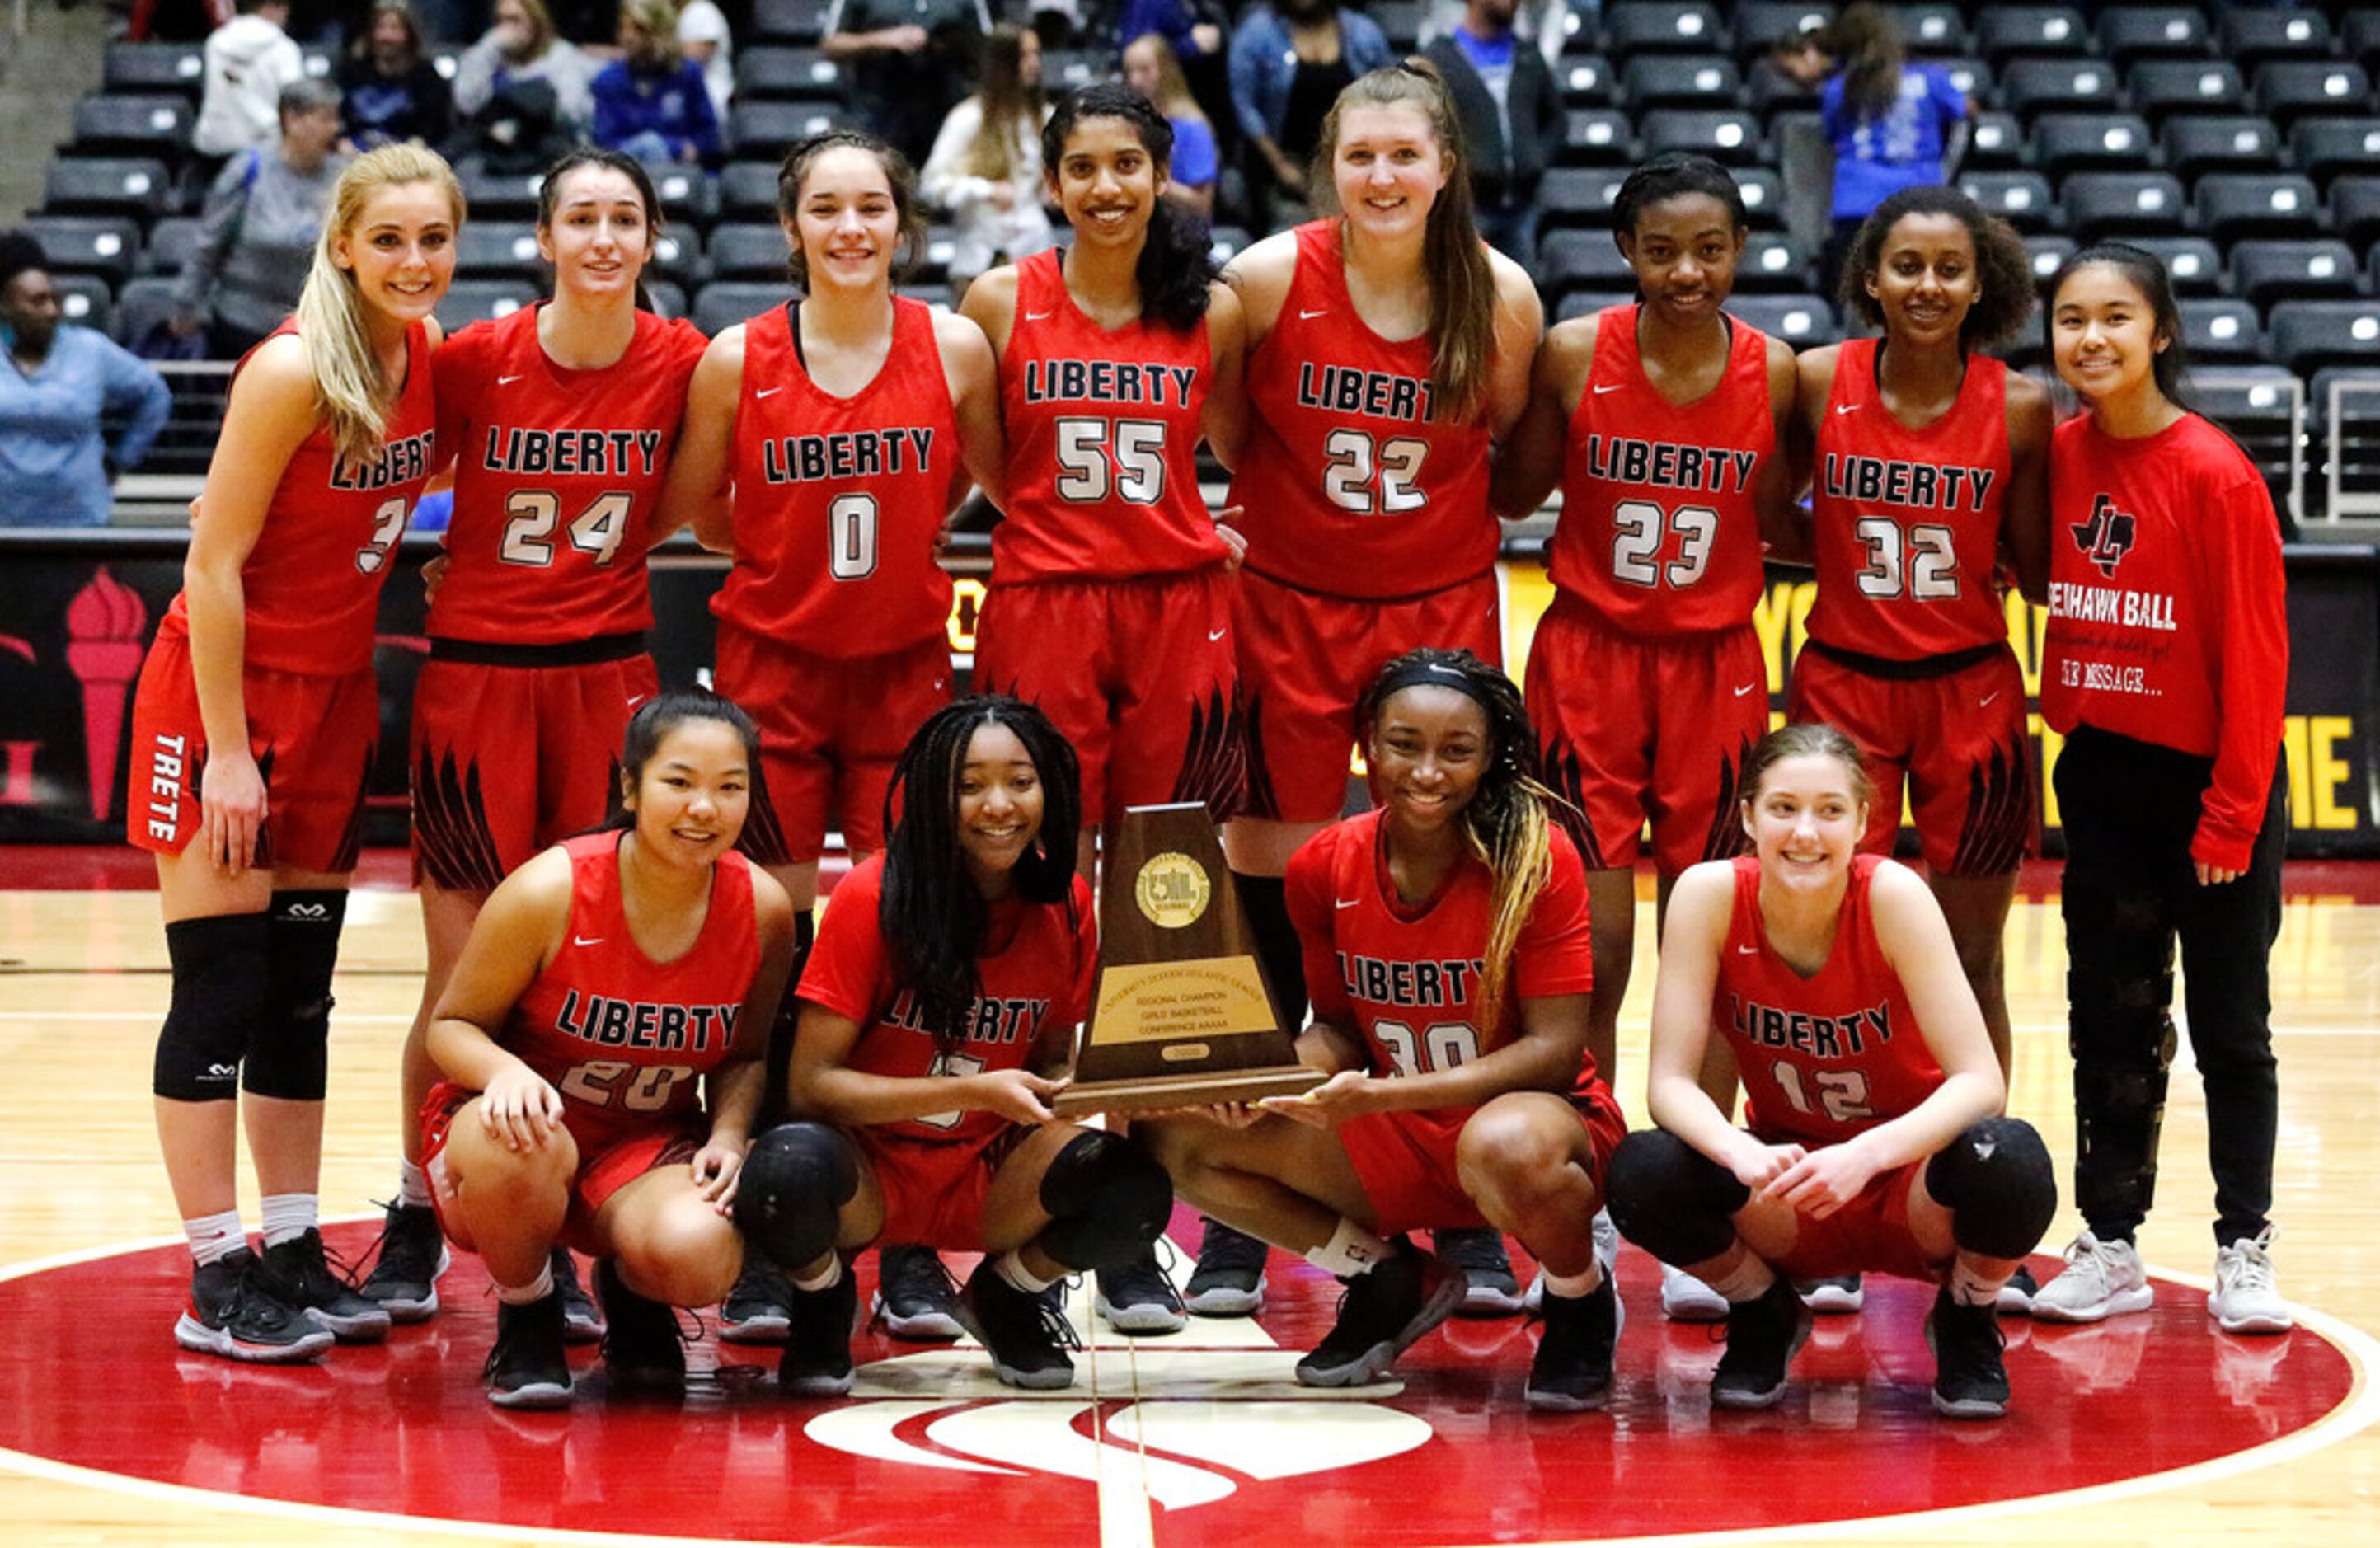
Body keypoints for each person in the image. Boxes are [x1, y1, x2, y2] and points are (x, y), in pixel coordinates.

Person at [356, 148, 713, 1329]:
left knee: (583, 978)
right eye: (581, 219)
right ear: (545, 240)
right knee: (459, 983)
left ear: (651, 239)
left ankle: (573, 1215)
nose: (604, 238)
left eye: (624, 219)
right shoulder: (472, 362)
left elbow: (686, 508)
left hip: (608, 687)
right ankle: (418, 1202)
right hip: (476, 688)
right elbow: (386, 468)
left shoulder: (683, 364)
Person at [660, 127, 1006, 1341]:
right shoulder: (736, 358)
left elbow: (986, 483)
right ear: (789, 225)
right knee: (770, 950)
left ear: (901, 223)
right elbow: (697, 506)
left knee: (914, 949)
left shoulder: (950, 346)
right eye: (826, 208)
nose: (850, 227)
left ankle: (910, 1235)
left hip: (907, 676)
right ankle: (772, 1206)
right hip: (773, 679)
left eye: (871, 206)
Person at [1210, 61, 1542, 1316]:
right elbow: (1231, 431)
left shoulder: (1497, 295)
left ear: (1444, 165)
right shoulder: (1262, 279)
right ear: (1326, 168)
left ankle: (1454, 1200)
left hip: (1438, 612)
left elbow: (1502, 456)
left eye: (1406, 155)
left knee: (1444, 890)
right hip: (1288, 604)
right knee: (1270, 880)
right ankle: (1252, 1184)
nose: (1383, 177)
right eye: (1360, 157)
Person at [124, 143, 460, 1363]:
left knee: (299, 998)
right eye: (389, 241)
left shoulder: (421, 363)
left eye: (433, 241)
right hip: (225, 701)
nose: (413, 262)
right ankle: (213, 1271)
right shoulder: (288, 369)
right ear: (342, 246)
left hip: (330, 703)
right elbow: (208, 562)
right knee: (218, 987)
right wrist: (224, 752)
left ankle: (288, 1242)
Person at [1143, 650, 1626, 1405]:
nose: (1427, 772)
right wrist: (1266, 1083)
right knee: (1173, 1131)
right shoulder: (1322, 864)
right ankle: (1385, 1275)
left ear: (1490, 754)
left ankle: (1578, 1299)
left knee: (1505, 1145)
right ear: (1368, 743)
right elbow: (1337, 1028)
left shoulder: (1536, 857)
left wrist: (1378, 1099)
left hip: (1531, 1128)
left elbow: (1555, 1053)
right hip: (1397, 1128)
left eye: (1456, 751)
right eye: (1405, 745)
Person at [959, 82, 1247, 1335]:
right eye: (1084, 168)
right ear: (1053, 179)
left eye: (1127, 165)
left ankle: (1127, 1214)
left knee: (1162, 899)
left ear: (1160, 171)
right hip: (1044, 597)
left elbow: (1226, 441)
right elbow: (988, 459)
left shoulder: (1213, 309)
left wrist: (1186, 529)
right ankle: (1030, 1179)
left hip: (1178, 604)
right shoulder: (995, 301)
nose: (1107, 189)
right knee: (1031, 887)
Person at [1490, 153, 1797, 1320]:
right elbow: (1509, 493)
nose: (1686, 270)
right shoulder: (1573, 353)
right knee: (1593, 955)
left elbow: (1784, 524)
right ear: (1623, 250)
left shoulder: (1776, 376)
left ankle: (1699, 1186)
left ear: (1737, 248)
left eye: (1709, 247)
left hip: (1716, 669)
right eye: (1661, 247)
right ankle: (1594, 1184)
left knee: (1709, 952)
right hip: (1586, 663)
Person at [1606, 723, 2056, 1419]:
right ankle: (1763, 1311)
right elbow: (1668, 1083)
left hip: (1909, 1183)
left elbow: (1979, 1080)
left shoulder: (1893, 896)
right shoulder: (1707, 895)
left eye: (1829, 810)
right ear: (1747, 815)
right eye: (1783, 808)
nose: (1805, 833)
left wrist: (1865, 1155)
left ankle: (1966, 1316)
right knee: (1643, 1168)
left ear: (1863, 822)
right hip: (1791, 1184)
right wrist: (1738, 1151)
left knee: (2012, 1157)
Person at [733, 697, 1176, 1394]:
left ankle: (1005, 1296)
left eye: (1019, 781)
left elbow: (1053, 1056)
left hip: (988, 1167)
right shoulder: (871, 894)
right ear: (934, 793)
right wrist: (971, 1089)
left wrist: (1082, 1083)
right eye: (969, 785)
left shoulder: (1067, 902)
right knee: (780, 1174)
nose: (997, 805)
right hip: (870, 1168)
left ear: (1050, 790)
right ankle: (823, 1301)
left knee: (1135, 1189)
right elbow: (811, 1085)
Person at [2030, 245, 2293, 1336]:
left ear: (2160, 333)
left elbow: (2255, 655)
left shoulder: (2212, 471)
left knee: (2229, 1027)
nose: (2088, 338)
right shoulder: (2053, 458)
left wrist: (2230, 809)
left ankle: (2244, 1244)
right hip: (2101, 774)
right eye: (2067, 319)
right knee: (2109, 1019)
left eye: (2112, 317)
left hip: (2207, 788)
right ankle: (2111, 1242)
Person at [421, 690, 797, 1406]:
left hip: (641, 1143)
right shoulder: (549, 889)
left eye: (730, 788)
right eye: (679, 783)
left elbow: (745, 1056)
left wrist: (728, 1132)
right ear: (631, 786)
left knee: (701, 1255)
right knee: (518, 1146)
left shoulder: (764, 909)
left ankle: (629, 1294)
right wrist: (503, 1072)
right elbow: (451, 1025)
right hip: (514, 1139)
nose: (704, 810)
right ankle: (527, 1311)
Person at [1788, 185, 2051, 1088]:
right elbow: (1768, 514)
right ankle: (1824, 1130)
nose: (1928, 285)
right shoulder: (1818, 379)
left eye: (1950, 269)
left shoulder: (2018, 407)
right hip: (1840, 686)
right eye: (1907, 266)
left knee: (1969, 958)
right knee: (1822, 941)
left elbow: (2034, 562)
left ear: (1982, 285)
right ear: (1871, 277)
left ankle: (1980, 1167)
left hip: (1970, 695)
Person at [1, 232, 171, 529]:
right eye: (37, 302)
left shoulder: (90, 350)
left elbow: (155, 395)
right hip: (7, 528)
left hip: (82, 524)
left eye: (55, 299)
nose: (52, 311)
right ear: (6, 307)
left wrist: (119, 460)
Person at [176, 77, 349, 362]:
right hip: (244, 323)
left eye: (335, 119)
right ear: (292, 120)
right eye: (325, 119)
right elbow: (209, 243)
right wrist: (188, 304)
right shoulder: (248, 170)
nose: (335, 128)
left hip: (320, 328)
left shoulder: (345, 176)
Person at [1814, 3, 1969, 298]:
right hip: (1921, 198)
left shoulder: (1838, 87)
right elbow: (1963, 120)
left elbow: (1831, 138)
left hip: (1856, 199)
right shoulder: (1932, 79)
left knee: (1857, 298)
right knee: (1920, 292)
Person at [1227, 1, 1394, 229]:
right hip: (1281, 170)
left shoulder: (1363, 33)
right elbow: (1244, 106)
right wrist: (1280, 165)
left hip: (1353, 165)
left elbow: (1386, 96)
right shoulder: (1256, 35)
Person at [1420, 0, 1563, 265]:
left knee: (1519, 298)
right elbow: (1424, 129)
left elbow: (1555, 121)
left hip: (1522, 211)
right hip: (1466, 210)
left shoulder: (1529, 55)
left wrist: (1535, 160)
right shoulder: (1440, 58)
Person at [921, 25, 1056, 293]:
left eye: (1036, 54)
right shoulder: (968, 118)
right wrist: (985, 190)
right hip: (979, 259)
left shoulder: (1047, 117)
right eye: (1024, 56)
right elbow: (930, 185)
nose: (1034, 64)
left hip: (1035, 255)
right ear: (1003, 62)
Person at [823, 0, 993, 170]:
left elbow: (991, 47)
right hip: (878, 111)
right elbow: (831, 44)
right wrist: (882, 39)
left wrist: (948, 43)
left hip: (946, 108)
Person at [592, 0, 724, 169]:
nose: (628, 37)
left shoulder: (688, 73)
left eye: (639, 29)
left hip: (683, 171)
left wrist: (677, 149)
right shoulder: (608, 80)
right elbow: (604, 144)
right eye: (623, 29)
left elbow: (709, 137)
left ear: (661, 32)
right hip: (628, 170)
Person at [452, 0, 595, 134]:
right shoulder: (490, 56)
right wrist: (488, 47)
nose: (506, 29)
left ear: (535, 24)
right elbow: (468, 105)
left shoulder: (561, 56)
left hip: (547, 141)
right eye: (500, 21)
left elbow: (574, 114)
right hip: (497, 145)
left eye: (514, 20)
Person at [1122, 31, 1219, 219]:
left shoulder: (1192, 128)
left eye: (1144, 70)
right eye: (1129, 72)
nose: (1135, 80)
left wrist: (1157, 183)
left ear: (1165, 70)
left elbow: (1202, 205)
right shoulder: (1126, 126)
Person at [194, 0, 306, 160]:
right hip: (268, 151)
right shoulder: (285, 49)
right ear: (270, 7)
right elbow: (294, 103)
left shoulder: (216, 42)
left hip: (215, 148)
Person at [338, 1, 456, 151]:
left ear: (409, 34)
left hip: (407, 158)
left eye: (395, 28)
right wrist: (341, 141)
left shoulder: (426, 76)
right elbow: (336, 119)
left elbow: (436, 130)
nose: (386, 36)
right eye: (381, 27)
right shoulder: (351, 69)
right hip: (353, 156)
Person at [678, 0, 736, 124]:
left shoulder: (702, 10)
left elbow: (697, 55)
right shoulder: (681, 13)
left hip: (712, 96)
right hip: (686, 99)